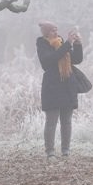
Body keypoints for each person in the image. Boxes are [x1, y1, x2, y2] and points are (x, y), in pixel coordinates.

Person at [36, 21, 83, 158]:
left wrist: (78, 44)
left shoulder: (62, 42)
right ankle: (50, 151)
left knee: (66, 121)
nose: (56, 33)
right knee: (51, 121)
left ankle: (65, 150)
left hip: (67, 86)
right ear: (45, 33)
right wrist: (68, 44)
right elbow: (49, 61)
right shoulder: (42, 44)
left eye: (56, 30)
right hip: (52, 87)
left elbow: (76, 59)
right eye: (52, 31)